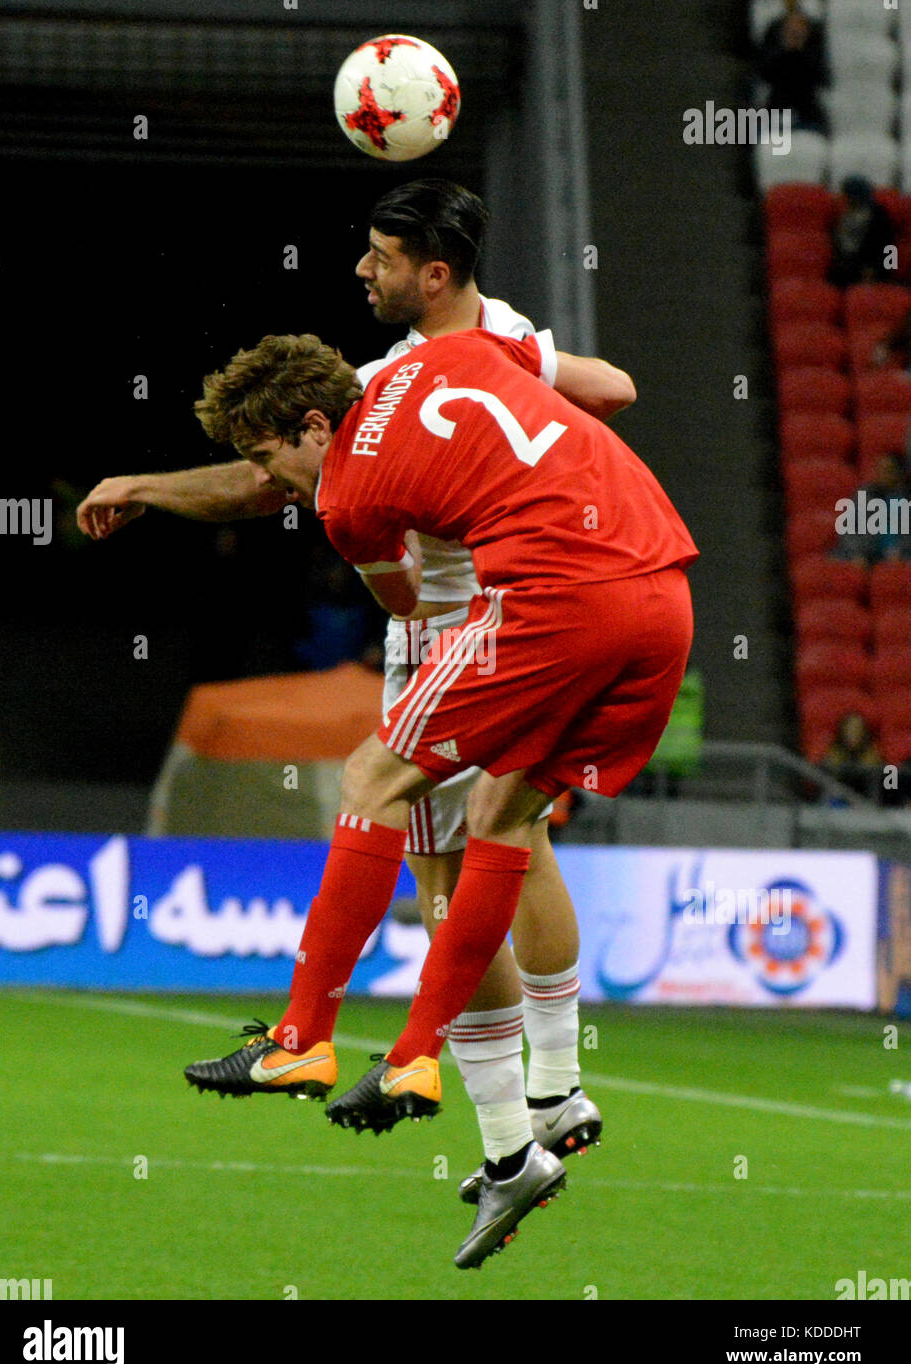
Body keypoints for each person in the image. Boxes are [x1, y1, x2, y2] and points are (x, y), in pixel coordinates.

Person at [77, 182, 627, 1238]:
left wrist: (144, 485)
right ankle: (553, 1088)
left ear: (426, 270)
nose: (360, 273)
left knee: (432, 861)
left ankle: (490, 1117)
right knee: (518, 846)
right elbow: (613, 384)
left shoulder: (383, 389)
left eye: (375, 258)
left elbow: (277, 499)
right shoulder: (505, 337)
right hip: (552, 609)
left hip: (454, 636)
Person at [170, 323, 695, 1265]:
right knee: (507, 818)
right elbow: (607, 387)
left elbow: (405, 601)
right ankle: (508, 1096)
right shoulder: (456, 353)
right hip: (662, 593)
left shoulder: (346, 496)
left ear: (314, 425)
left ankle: (301, 1037)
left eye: (269, 460)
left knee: (374, 777)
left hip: (553, 599)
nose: (278, 486)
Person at [755, 0, 828, 132]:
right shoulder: (774, 29)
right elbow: (764, 73)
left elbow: (822, 77)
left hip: (807, 108)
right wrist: (786, 49)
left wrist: (800, 49)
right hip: (776, 105)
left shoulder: (815, 33)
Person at [828, 176, 897, 289]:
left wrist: (876, 269)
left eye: (847, 195)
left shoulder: (879, 215)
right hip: (844, 266)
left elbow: (890, 246)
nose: (843, 198)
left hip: (869, 269)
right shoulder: (843, 214)